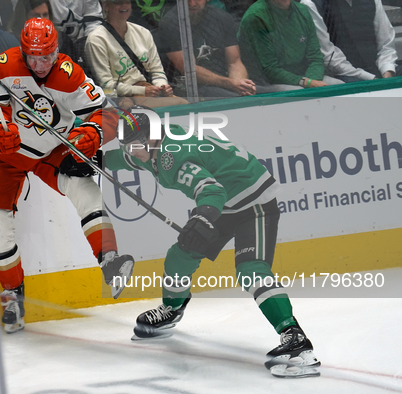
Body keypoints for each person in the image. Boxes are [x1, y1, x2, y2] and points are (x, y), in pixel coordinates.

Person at [104, 106, 320, 378]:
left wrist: (202, 217)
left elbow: (211, 190)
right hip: (223, 205)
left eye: (134, 143)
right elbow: (123, 160)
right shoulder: (149, 146)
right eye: (126, 143)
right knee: (180, 256)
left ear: (152, 136)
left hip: (253, 201)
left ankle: (296, 340)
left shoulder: (174, 155)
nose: (130, 149)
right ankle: (172, 309)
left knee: (251, 270)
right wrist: (89, 157)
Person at [0, 18, 135, 333]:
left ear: (56, 51)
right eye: (32, 57)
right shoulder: (2, 67)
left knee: (84, 187)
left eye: (46, 57)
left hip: (52, 149)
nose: (39, 64)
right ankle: (12, 296)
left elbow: (108, 113)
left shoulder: (69, 76)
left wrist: (92, 134)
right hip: (8, 155)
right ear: (23, 51)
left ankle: (109, 259)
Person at [84, 0, 189, 108]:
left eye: (127, 2)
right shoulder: (97, 39)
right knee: (181, 104)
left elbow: (157, 71)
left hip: (150, 90)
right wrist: (141, 90)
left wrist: (162, 87)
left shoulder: (143, 32)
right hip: (122, 97)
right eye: (117, 3)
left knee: (184, 104)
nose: (124, 5)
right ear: (106, 6)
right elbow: (106, 86)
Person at [157, 0, 260, 98]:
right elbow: (190, 70)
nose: (192, 3)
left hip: (228, 82)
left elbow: (234, 62)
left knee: (273, 90)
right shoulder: (169, 23)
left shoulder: (222, 17)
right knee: (236, 99)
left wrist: (241, 85)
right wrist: (231, 84)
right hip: (193, 88)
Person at [238, 0, 344, 90]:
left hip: (305, 77)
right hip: (266, 83)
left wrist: (312, 81)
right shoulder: (256, 18)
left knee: (339, 87)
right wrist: (306, 83)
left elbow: (315, 57)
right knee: (299, 96)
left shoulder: (303, 11)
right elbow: (269, 69)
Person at [300, 0, 400, 82]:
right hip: (341, 73)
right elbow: (328, 56)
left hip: (376, 69)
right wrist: (369, 77)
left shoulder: (373, 1)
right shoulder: (312, 4)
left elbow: (386, 43)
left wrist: (387, 70)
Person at [8, 0, 76, 58]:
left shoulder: (62, 40)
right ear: (24, 17)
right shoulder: (11, 42)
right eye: (36, 16)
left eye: (45, 15)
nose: (42, 20)